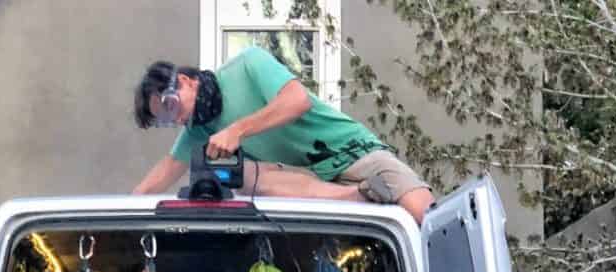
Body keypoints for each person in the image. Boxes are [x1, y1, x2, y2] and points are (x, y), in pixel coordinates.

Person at [132, 46, 434, 225]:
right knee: (242, 178)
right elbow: (161, 175)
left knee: (426, 218)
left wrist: (237, 130)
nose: (178, 118)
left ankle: (373, 194)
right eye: (167, 120)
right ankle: (360, 198)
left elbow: (297, 101)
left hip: (356, 154)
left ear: (185, 81)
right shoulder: (198, 129)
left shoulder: (247, 64)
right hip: (320, 182)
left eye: (172, 106)